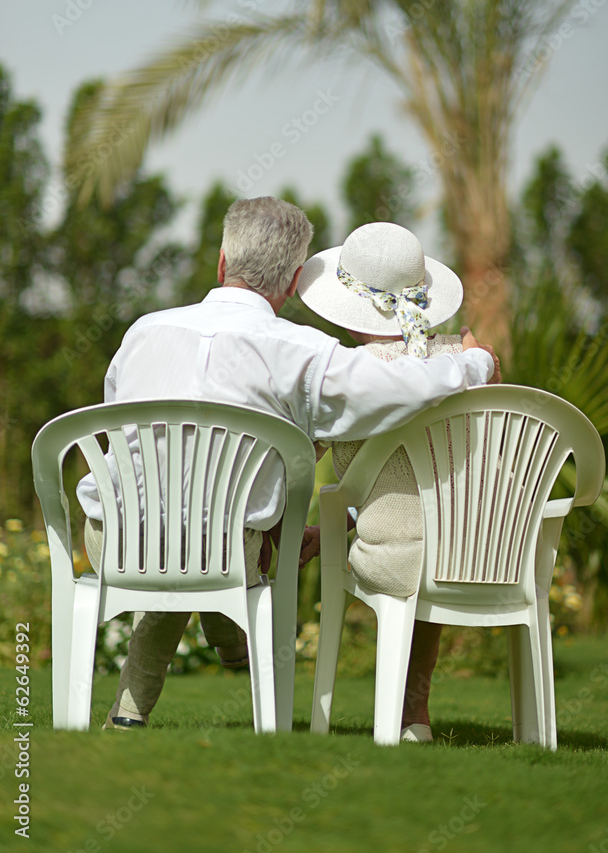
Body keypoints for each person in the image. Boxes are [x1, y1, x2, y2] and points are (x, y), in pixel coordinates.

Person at [77, 197, 497, 730]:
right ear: (296, 276)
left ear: (222, 262)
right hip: (222, 549)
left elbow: (118, 426)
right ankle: (214, 647)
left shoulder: (143, 330)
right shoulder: (303, 350)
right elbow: (398, 386)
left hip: (112, 538)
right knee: (200, 538)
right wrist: (476, 361)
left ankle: (146, 703)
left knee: (178, 524)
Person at [297, 221, 501, 741]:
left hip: (398, 556)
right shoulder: (472, 359)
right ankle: (416, 716)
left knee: (405, 543)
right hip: (486, 551)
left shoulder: (345, 375)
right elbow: (435, 479)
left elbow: (295, 458)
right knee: (426, 535)